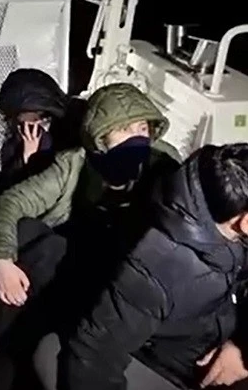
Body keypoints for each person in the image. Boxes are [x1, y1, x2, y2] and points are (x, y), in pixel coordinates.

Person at [32, 143, 248, 390]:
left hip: (223, 339)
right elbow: (93, 354)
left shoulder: (224, 223)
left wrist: (242, 348)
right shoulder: (156, 269)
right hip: (176, 369)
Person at [0, 82, 181, 309]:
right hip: (71, 261)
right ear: (101, 137)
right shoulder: (71, 166)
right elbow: (12, 203)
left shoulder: (164, 165)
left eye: (142, 128)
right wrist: (2, 260)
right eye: (125, 130)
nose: (136, 138)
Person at [0, 68, 84, 237]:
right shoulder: (17, 137)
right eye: (21, 120)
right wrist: (25, 159)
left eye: (36, 119)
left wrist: (34, 160)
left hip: (56, 202)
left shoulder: (71, 126)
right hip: (24, 193)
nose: (28, 127)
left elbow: (53, 185)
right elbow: (9, 180)